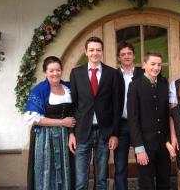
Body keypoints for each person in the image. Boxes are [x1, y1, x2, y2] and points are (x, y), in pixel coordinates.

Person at [68, 37, 119, 190]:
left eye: (98, 50)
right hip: (82, 131)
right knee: (81, 181)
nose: (95, 53)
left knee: (101, 179)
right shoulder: (76, 73)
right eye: (91, 50)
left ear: (102, 52)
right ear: (86, 52)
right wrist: (71, 132)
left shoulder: (112, 74)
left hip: (104, 132)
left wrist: (114, 133)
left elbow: (116, 106)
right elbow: (73, 104)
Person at [24, 56, 76, 190]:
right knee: (46, 170)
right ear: (45, 72)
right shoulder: (39, 90)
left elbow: (76, 110)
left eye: (58, 70)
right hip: (44, 138)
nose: (55, 73)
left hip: (66, 137)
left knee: (66, 169)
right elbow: (34, 119)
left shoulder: (68, 87)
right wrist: (61, 122)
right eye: (51, 70)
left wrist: (71, 132)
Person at [127, 51, 170, 190]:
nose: (156, 67)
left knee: (165, 182)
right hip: (144, 146)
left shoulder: (164, 84)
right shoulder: (135, 86)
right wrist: (139, 149)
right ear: (144, 65)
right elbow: (133, 120)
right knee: (147, 184)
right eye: (152, 64)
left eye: (159, 64)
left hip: (163, 145)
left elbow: (166, 115)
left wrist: (169, 141)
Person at [114, 42, 144, 190]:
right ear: (119, 57)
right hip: (121, 124)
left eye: (129, 53)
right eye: (123, 54)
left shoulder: (143, 73)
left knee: (144, 162)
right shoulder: (113, 75)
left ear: (134, 55)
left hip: (140, 124)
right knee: (120, 165)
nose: (126, 56)